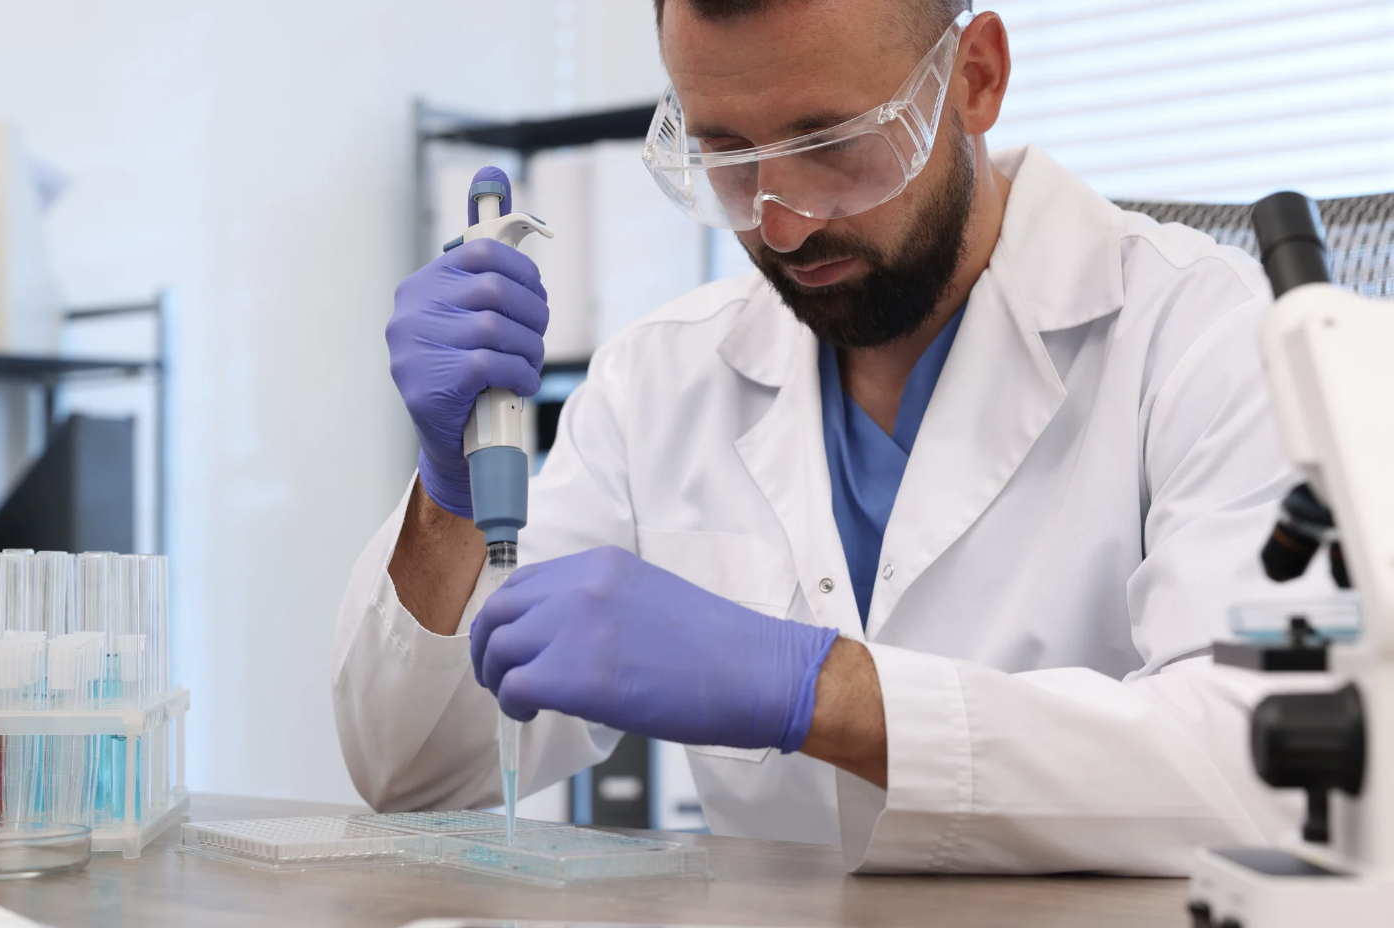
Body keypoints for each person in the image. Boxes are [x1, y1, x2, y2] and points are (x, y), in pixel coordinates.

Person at [333, 0, 1331, 873]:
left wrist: (820, 691)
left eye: (834, 143)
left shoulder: (1210, 336)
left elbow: (1280, 772)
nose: (783, 225)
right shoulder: (660, 381)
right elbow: (418, 774)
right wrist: (451, 495)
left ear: (975, 79)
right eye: (729, 156)